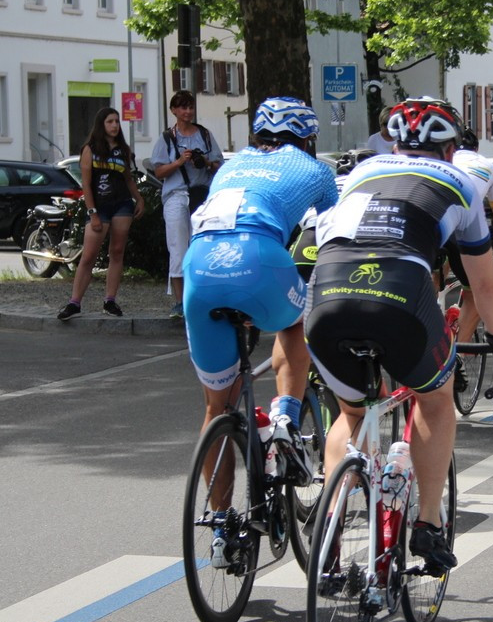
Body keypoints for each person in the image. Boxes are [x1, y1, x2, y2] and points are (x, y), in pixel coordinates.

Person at [306, 97, 493, 570]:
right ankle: (427, 525)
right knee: (435, 399)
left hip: (328, 293)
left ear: (396, 145)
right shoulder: (462, 183)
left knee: (352, 414)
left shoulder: (361, 171)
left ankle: (330, 532)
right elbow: (482, 280)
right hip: (398, 295)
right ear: (452, 148)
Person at [183, 97, 338, 508]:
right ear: (308, 138)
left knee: (217, 407)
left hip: (198, 266)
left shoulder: (229, 167)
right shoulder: (316, 170)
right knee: (295, 321)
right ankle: (286, 415)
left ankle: (221, 526)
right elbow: (332, 233)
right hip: (259, 259)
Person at [56, 107, 145, 321]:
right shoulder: (90, 149)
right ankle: (74, 302)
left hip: (122, 204)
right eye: (110, 122)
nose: (114, 125)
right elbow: (86, 184)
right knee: (89, 255)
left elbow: (128, 179)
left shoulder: (123, 149)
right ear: (101, 125)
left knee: (117, 252)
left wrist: (139, 198)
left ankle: (110, 300)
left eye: (117, 122)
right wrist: (92, 212)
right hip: (100, 206)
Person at [150, 90, 224, 319]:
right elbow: (159, 171)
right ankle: (180, 302)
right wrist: (180, 161)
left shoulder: (204, 134)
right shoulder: (167, 138)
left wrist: (206, 162)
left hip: (201, 195)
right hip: (176, 195)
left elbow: (220, 165)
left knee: (202, 247)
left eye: (190, 107)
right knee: (178, 248)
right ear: (174, 110)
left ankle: (200, 297)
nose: (188, 112)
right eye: (183, 107)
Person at [449, 127, 493, 346]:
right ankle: (455, 361)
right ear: (476, 149)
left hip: (432, 226)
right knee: (477, 293)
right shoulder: (487, 165)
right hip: (464, 229)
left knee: (431, 278)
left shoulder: (442, 159)